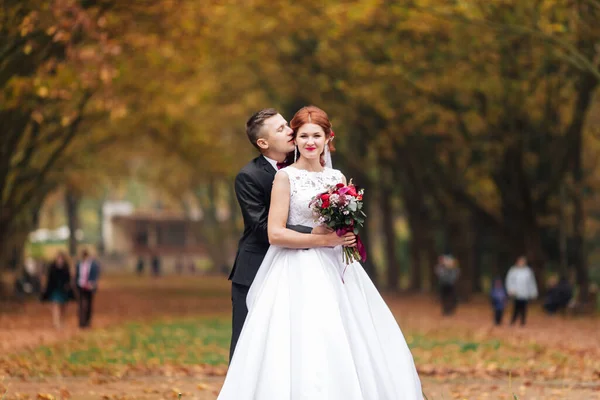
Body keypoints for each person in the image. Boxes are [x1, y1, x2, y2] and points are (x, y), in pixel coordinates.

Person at [218, 106, 422, 399]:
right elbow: (269, 230)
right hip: (277, 266)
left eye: (312, 134)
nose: (296, 135)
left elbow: (340, 220)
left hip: (333, 267)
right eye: (295, 132)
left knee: (341, 332)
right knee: (263, 344)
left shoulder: (335, 175)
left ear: (328, 138)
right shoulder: (267, 176)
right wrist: (321, 238)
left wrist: (345, 233)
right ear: (266, 142)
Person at [228, 108, 352, 361]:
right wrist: (318, 234)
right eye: (282, 129)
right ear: (263, 143)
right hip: (258, 265)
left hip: (316, 265)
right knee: (250, 345)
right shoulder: (250, 176)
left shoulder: (323, 171)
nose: (290, 131)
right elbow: (263, 228)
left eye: (287, 125)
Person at [40, 252, 75, 329]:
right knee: (55, 306)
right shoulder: (52, 267)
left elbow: (70, 278)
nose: (59, 260)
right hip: (55, 290)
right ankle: (56, 323)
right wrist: (45, 287)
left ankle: (62, 321)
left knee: (63, 307)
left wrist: (69, 285)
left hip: (64, 290)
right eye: (58, 258)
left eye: (61, 258)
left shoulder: (67, 267)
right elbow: (48, 278)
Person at [505, 256, 538, 326]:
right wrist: (510, 290)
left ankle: (523, 322)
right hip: (516, 293)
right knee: (516, 308)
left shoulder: (528, 271)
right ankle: (513, 321)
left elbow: (531, 282)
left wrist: (533, 292)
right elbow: (509, 281)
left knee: (524, 308)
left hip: (525, 293)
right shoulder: (513, 270)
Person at [75, 249, 100, 328]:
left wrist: (93, 283)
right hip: (80, 286)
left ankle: (87, 321)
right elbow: (76, 275)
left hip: (89, 286)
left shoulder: (93, 265)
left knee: (89, 304)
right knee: (81, 304)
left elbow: (96, 275)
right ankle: (81, 321)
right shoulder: (79, 264)